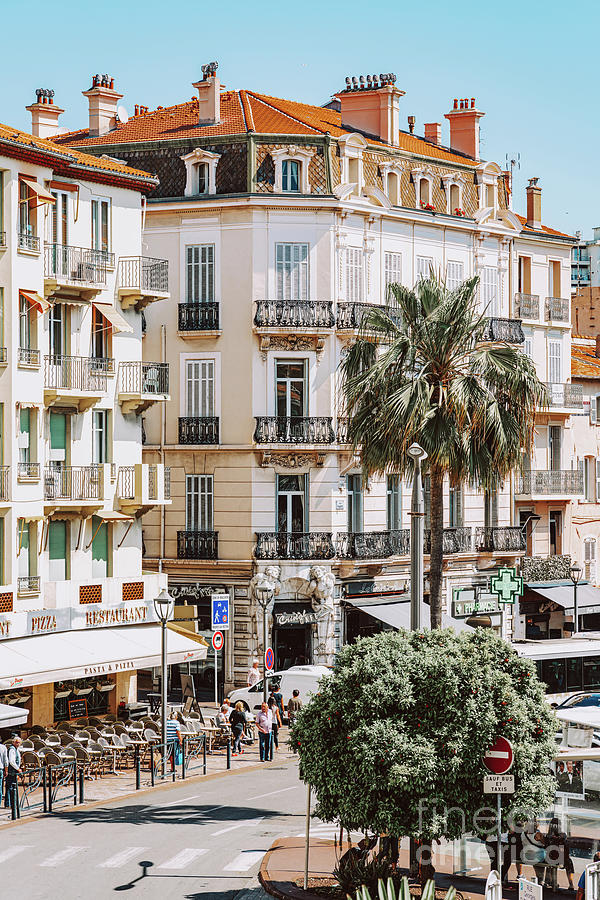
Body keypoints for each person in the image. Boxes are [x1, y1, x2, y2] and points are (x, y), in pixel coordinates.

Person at [544, 816, 575, 891]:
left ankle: (550, 881)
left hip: (551, 858)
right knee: (569, 863)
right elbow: (566, 848)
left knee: (550, 861)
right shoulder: (563, 836)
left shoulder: (547, 836)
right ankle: (571, 884)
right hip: (562, 859)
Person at [5, 737, 22, 811]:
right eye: (17, 742)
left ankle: (12, 803)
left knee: (11, 787)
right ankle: (9, 803)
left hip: (14, 771)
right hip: (11, 771)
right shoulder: (12, 749)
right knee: (10, 787)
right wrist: (18, 769)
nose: (18, 744)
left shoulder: (16, 749)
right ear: (13, 742)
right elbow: (11, 761)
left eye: (19, 742)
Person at [268, 696, 282, 760]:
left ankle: (269, 746)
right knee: (275, 735)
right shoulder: (276, 708)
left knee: (269, 735)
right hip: (274, 722)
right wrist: (280, 722)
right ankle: (276, 746)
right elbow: (278, 715)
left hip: (269, 722)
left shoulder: (268, 708)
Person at [0, 741, 7, 808]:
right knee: (0, 786)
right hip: (0, 768)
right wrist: (6, 770)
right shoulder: (3, 747)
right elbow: (5, 760)